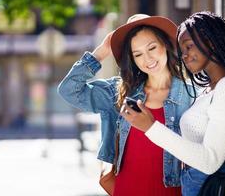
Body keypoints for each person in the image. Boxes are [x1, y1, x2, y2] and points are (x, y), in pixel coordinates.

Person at [120, 11, 225, 196]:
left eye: (189, 46)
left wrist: (151, 127)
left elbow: (210, 161)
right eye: (182, 50)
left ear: (211, 43)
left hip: (213, 184)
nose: (184, 55)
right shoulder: (210, 89)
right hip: (197, 182)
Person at [58, 14, 193, 195]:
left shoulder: (192, 94)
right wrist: (103, 50)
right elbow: (69, 90)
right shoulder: (119, 92)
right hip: (127, 188)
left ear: (166, 46)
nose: (148, 59)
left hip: (172, 191)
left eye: (152, 47)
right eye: (138, 54)